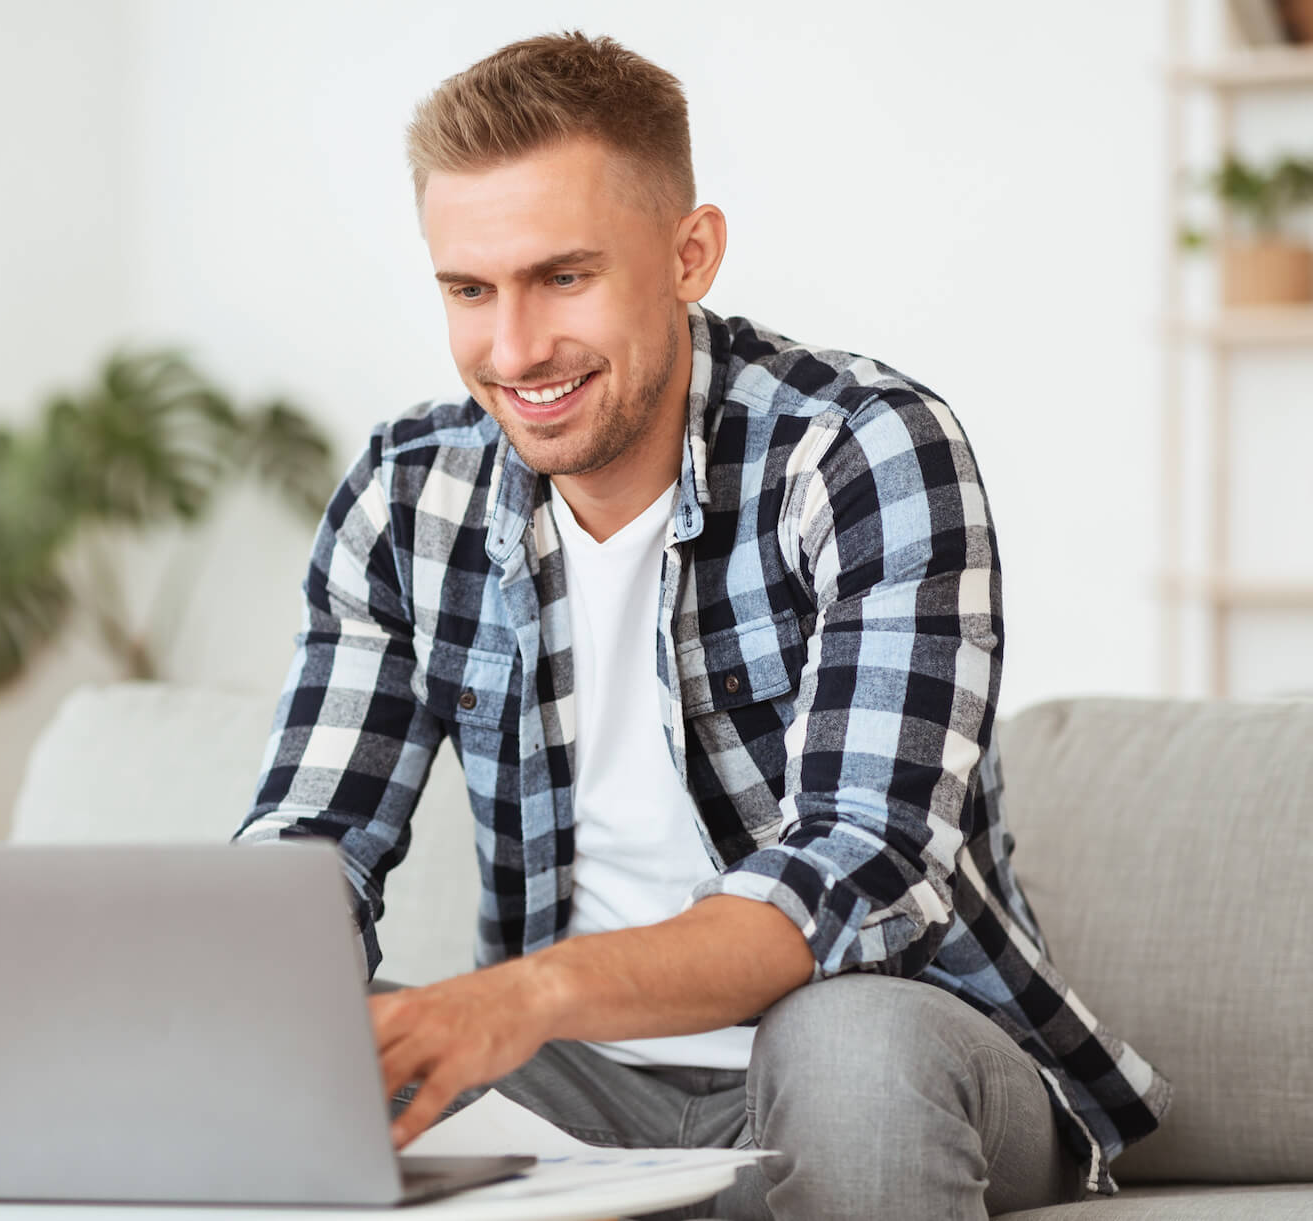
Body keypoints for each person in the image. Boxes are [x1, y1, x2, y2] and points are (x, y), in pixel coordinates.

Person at [234, 30, 1168, 1221]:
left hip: (893, 1045)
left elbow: (855, 866)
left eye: (563, 277)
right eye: (471, 290)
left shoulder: (864, 451)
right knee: (324, 1072)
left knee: (845, 1049)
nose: (513, 350)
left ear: (690, 253)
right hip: (575, 1085)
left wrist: (526, 997)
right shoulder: (407, 494)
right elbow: (314, 835)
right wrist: (258, 1013)